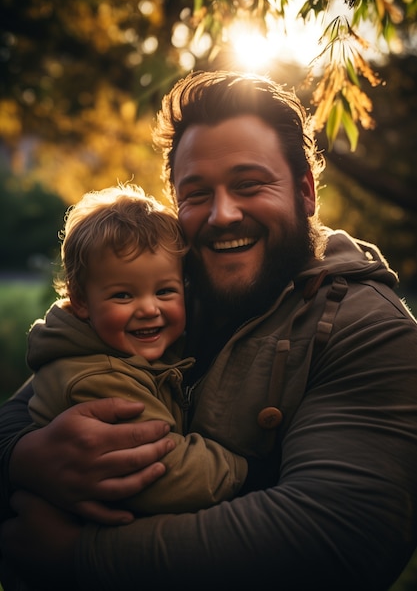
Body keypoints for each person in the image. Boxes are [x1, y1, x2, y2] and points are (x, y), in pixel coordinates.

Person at [1, 69, 417, 591]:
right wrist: (24, 458)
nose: (222, 215)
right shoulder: (167, 294)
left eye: (249, 185)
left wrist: (81, 558)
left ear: (306, 191)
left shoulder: (368, 329)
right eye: (196, 193)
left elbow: (338, 537)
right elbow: (39, 390)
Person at [24, 183, 247, 516]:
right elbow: (166, 473)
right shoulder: (102, 378)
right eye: (123, 296)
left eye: (165, 291)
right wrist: (248, 468)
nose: (148, 309)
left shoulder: (121, 349)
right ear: (82, 301)